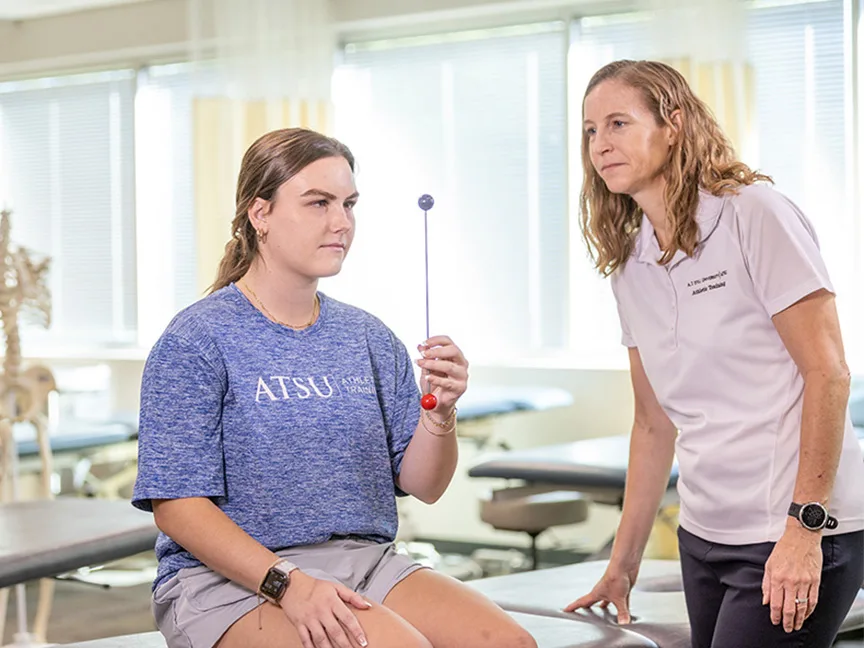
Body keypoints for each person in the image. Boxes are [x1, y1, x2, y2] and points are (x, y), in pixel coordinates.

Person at [131, 128, 537, 648]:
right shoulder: (197, 339)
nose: (341, 222)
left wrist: (441, 413)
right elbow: (177, 508)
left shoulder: (368, 337)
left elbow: (425, 485)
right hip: (228, 581)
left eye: (348, 204)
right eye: (318, 203)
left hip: (363, 562)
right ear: (261, 214)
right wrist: (289, 584)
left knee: (509, 644)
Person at [565, 59, 864, 648]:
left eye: (619, 123)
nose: (601, 144)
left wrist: (805, 529)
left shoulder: (755, 213)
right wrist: (622, 565)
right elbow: (653, 425)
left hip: (795, 529)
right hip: (704, 534)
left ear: (673, 125)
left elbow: (828, 372)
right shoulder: (630, 262)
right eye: (591, 130)